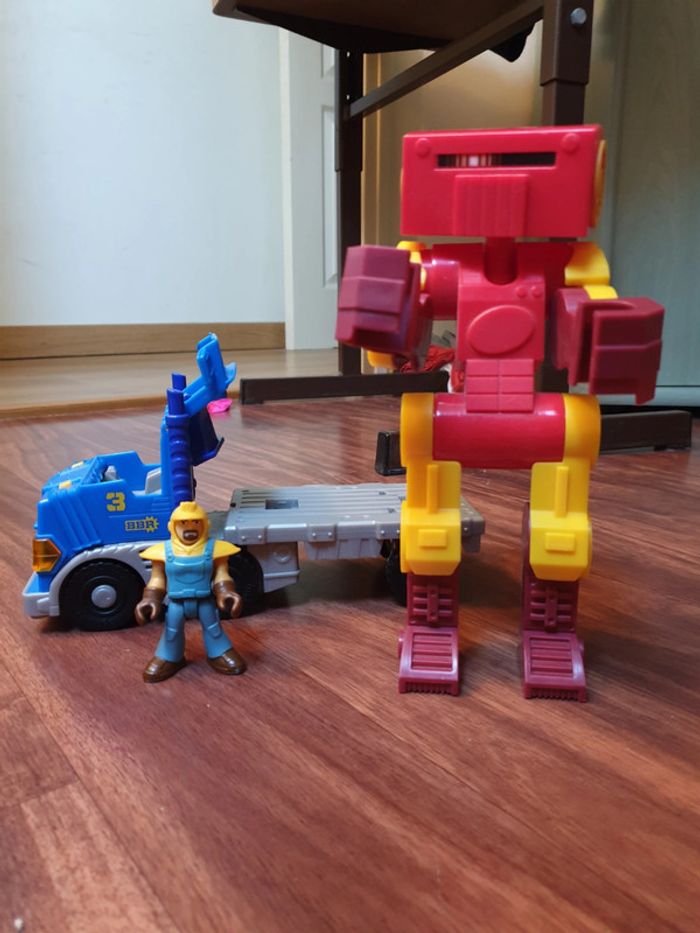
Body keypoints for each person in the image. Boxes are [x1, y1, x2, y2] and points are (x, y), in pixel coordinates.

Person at [135, 500, 246, 683]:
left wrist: (226, 592)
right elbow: (157, 579)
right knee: (172, 631)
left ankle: (219, 652)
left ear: (205, 525)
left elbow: (221, 575)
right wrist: (150, 599)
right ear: (172, 526)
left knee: (213, 628)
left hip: (205, 600)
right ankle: (170, 657)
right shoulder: (162, 552)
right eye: (183, 523)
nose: (190, 528)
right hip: (176, 603)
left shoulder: (215, 549)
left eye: (196, 522)